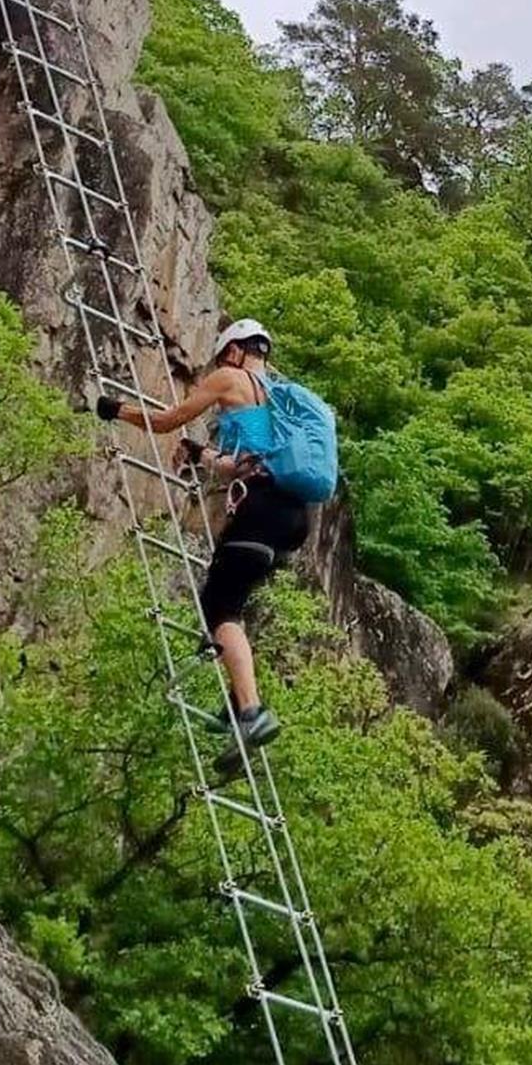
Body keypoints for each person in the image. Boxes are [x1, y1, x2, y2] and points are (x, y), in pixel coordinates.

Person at [97, 319, 324, 750]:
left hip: (259, 510)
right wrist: (202, 455)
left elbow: (167, 421)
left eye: (223, 355)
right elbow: (235, 465)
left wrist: (116, 409)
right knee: (226, 605)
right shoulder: (281, 401)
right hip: (293, 518)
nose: (220, 363)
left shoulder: (229, 378)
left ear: (236, 351)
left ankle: (252, 712)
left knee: (220, 609)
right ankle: (237, 707)